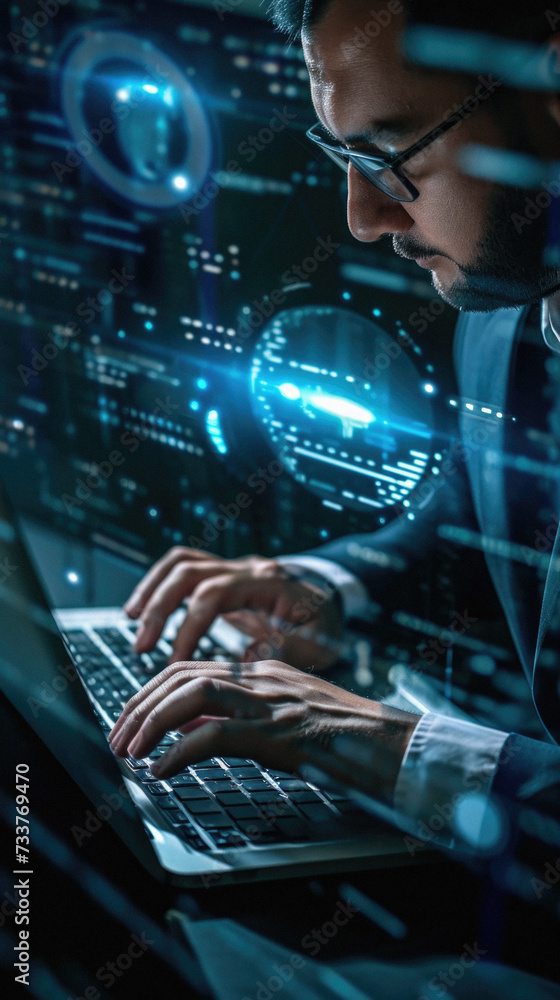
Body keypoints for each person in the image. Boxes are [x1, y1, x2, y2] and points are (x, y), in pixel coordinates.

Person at [110, 0, 560, 855]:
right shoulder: (504, 299)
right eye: (343, 156)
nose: (363, 216)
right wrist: (331, 585)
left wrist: (393, 747)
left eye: (388, 157)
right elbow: (489, 520)